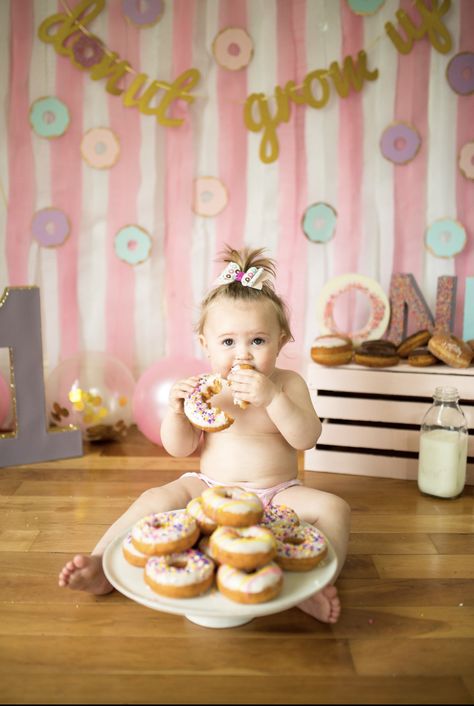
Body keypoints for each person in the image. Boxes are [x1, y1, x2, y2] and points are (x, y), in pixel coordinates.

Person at [59, 246, 351, 624]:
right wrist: (176, 413)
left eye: (258, 341)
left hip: (276, 494)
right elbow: (180, 450)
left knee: (335, 509)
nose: (242, 354)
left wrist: (273, 398)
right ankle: (100, 564)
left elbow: (306, 438)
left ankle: (309, 588)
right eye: (228, 342)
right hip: (209, 488)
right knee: (155, 497)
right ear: (205, 345)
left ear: (282, 341)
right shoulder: (208, 390)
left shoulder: (288, 384)